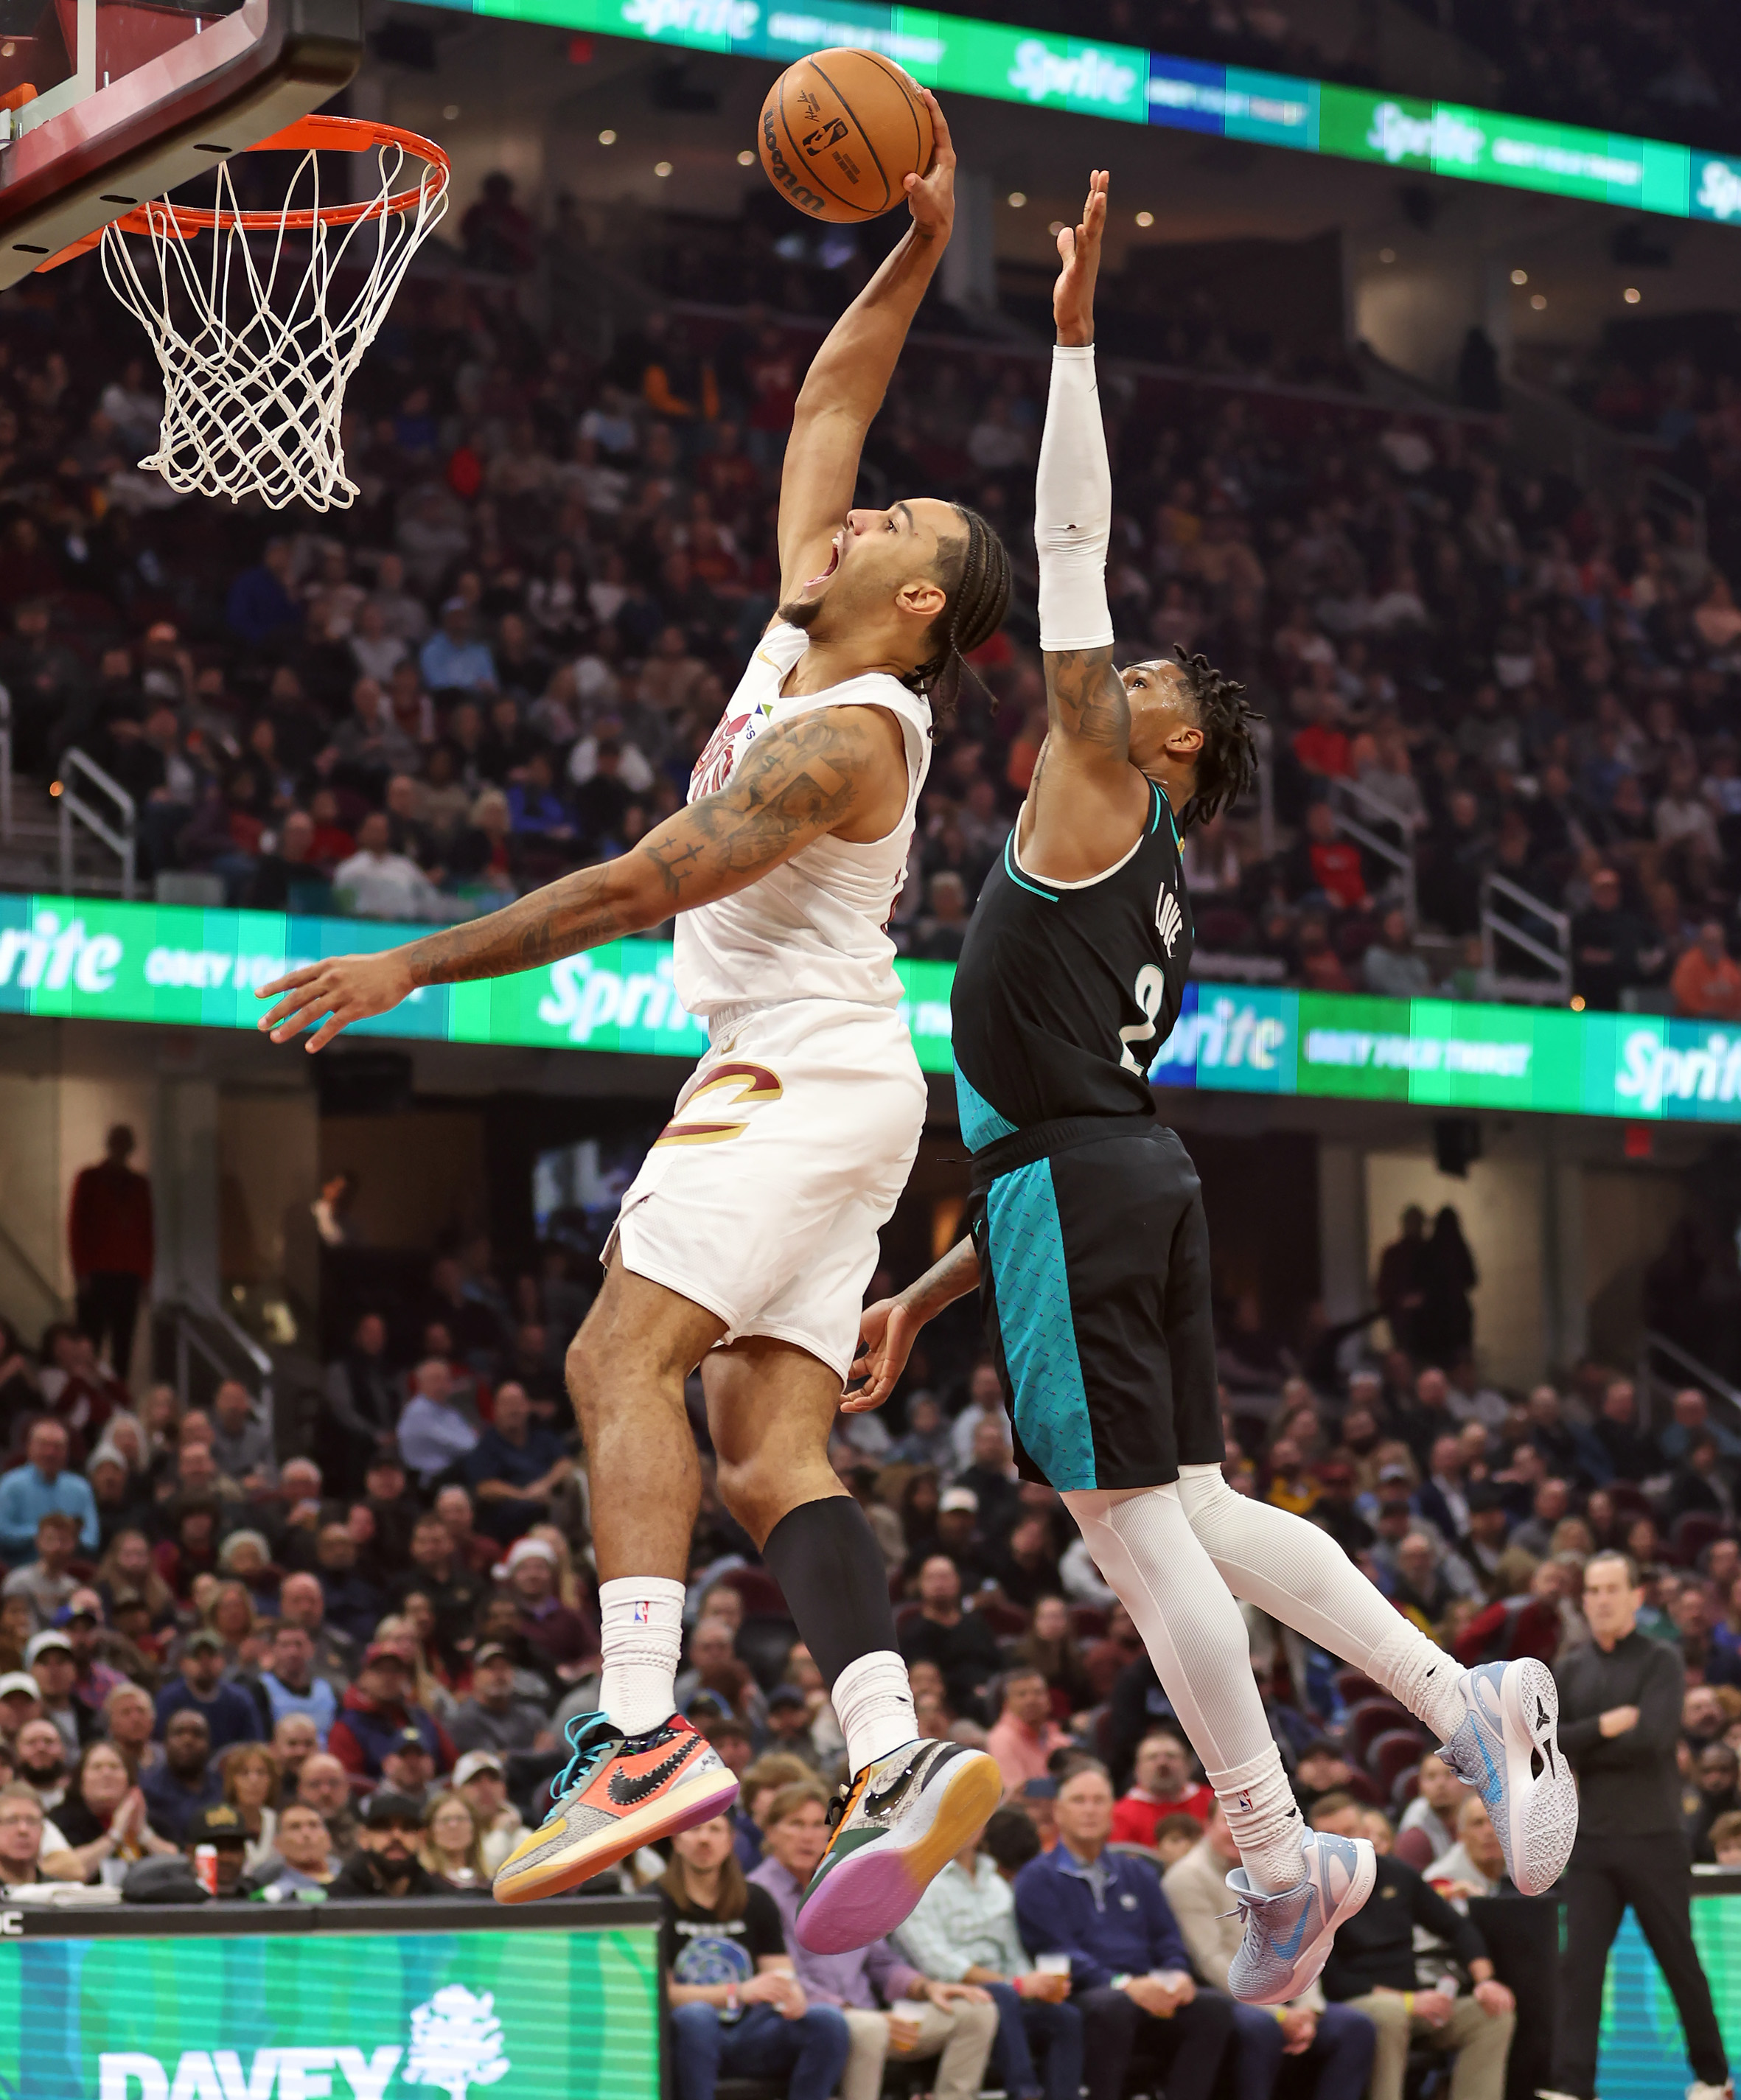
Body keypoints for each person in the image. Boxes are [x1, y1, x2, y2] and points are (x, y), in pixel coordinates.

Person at [256, 88, 1008, 1940]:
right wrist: (916, 247)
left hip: (794, 1072)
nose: (848, 507)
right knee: (766, 1448)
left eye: (886, 522)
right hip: (840, 1085)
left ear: (909, 602)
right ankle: (891, 1747)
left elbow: (629, 889)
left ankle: (641, 1732)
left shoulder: (845, 736)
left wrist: (409, 963)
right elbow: (830, 400)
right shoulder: (800, 629)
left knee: (614, 1365)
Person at [846, 170, 1574, 2000]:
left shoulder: (1104, 788)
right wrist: (933, 1301)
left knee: (1127, 1530)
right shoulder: (1138, 863)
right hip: (1105, 1180)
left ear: (1164, 741)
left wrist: (1073, 336)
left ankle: (1275, 1850)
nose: (1119, 665)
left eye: (1147, 678)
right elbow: (1042, 1125)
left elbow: (1068, 555)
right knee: (1198, 1512)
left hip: (1078, 1187)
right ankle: (1451, 1693)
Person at [1542, 1552, 1729, 2100]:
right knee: (1579, 1968)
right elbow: (1551, 1743)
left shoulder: (1661, 1659)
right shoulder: (1572, 1666)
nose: (1601, 1598)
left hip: (1653, 1836)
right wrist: (1605, 1724)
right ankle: (1573, 2086)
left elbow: (1652, 1736)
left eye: (1611, 1588)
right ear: (1584, 1600)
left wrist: (1587, 1738)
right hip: (1592, 1841)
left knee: (1679, 1959)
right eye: (1593, 1590)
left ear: (1635, 1596)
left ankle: (1713, 2077)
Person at [750, 1782, 1000, 2100]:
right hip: (817, 2022)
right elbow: (787, 1980)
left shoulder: (840, 1884)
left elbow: (881, 1961)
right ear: (770, 1833)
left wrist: (926, 1988)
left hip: (877, 2018)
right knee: (869, 2028)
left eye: (818, 1825)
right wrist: (859, 2013)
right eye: (796, 1824)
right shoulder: (758, 1894)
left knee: (976, 2011)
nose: (808, 1836)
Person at [1013, 1762, 1235, 2100]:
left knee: (1213, 2009)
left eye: (1099, 1800)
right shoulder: (1037, 1878)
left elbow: (1167, 1938)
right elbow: (1056, 1951)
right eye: (1079, 1800)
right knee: (1113, 2006)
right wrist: (1126, 1985)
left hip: (1149, 1990)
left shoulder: (1137, 1872)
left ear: (1112, 1810)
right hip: (1087, 1994)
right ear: (1057, 1812)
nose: (1090, 1810)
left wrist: (1176, 1975)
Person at [1165, 1802, 1377, 2100]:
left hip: (1286, 1994)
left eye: (1247, 1824)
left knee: (1356, 2028)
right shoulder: (1186, 1877)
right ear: (1207, 1825)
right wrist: (1279, 2016)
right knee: (1262, 2029)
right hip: (1227, 1996)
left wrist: (1309, 2010)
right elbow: (1210, 1961)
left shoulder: (1275, 1869)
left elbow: (1304, 1940)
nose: (1239, 1832)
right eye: (1229, 1822)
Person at [1309, 1793, 1515, 2100]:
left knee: (1491, 2015)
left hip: (1414, 2004)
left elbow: (1455, 1926)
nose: (1344, 1844)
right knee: (1390, 2013)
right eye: (1333, 1838)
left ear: (1365, 1832)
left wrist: (1485, 1981)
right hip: (1356, 2004)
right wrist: (1406, 2002)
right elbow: (1331, 1979)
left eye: (1350, 1832)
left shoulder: (1397, 1875)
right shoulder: (1311, 1894)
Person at [663, 1812, 851, 2100]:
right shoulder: (656, 1901)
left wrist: (791, 1994)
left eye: (715, 1830)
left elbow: (782, 1975)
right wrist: (738, 1992)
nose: (704, 1839)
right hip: (685, 2039)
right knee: (696, 2016)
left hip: (750, 2035)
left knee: (827, 2019)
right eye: (695, 1829)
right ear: (676, 1841)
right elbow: (665, 1995)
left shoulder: (755, 1898)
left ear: (730, 1842)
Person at [894, 1827, 1083, 2100]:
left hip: (1007, 1994)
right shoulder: (914, 1880)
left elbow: (1013, 1953)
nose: (967, 1822)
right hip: (945, 1997)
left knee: (1066, 2017)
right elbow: (936, 1961)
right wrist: (1014, 1984)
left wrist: (1034, 1984)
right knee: (1001, 1995)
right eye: (958, 1814)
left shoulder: (995, 1884)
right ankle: (1025, 2093)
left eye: (975, 1813)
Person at [69, 1123, 153, 1378]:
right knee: (89, 1341)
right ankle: (86, 1393)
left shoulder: (139, 1185)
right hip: (97, 1272)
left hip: (127, 1273)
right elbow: (77, 1226)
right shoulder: (90, 1178)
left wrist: (145, 1277)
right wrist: (82, 1270)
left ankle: (117, 1398)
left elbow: (147, 1233)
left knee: (123, 1345)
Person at [0, 1419, 100, 1564]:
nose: (50, 1453)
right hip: (20, 1570)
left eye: (57, 1447)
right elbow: (3, 1531)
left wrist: (65, 1539)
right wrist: (42, 1535)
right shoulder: (11, 1485)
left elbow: (92, 1539)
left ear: (67, 1451)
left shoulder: (80, 1488)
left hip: (69, 1573)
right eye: (44, 1446)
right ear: (29, 1448)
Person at [154, 1627, 262, 1752]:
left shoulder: (239, 1699)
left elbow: (254, 1745)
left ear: (223, 1661)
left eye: (211, 1655)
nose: (205, 1662)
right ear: (184, 1663)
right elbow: (159, 1745)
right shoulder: (168, 1698)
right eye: (197, 1657)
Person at [327, 1788, 443, 1898]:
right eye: (384, 1827)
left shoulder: (438, 1896)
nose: (396, 1836)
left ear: (422, 1838)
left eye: (407, 1828)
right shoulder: (339, 1897)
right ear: (364, 1837)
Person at [1111, 1729, 1214, 1845]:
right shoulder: (1120, 1815)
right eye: (1152, 1757)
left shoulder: (1212, 1801)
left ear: (1188, 1764)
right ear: (1137, 1769)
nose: (1162, 1763)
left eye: (1171, 1756)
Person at [449, 1641, 551, 1756]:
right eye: (491, 1668)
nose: (499, 1674)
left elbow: (553, 1754)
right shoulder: (465, 1720)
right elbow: (492, 1763)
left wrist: (511, 1756)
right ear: (475, 1676)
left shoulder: (530, 1715)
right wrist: (535, 1753)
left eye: (504, 1667)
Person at [985, 1667, 1070, 1796]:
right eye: (1022, 1694)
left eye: (1038, 1693)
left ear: (1049, 1700)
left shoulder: (1057, 1737)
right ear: (1007, 1704)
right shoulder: (1000, 1739)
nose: (1031, 1700)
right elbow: (1015, 1796)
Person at [142, 1709, 223, 1843]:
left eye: (197, 1734)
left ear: (209, 1743)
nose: (188, 1740)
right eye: (179, 1733)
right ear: (165, 1742)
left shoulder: (223, 1787)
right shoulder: (149, 1792)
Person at [254, 1620, 339, 1745]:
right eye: (285, 1645)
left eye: (299, 1645)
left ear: (311, 1649)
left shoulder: (328, 1690)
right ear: (272, 1649)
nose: (293, 1652)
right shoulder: (259, 1689)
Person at [247, 1799, 341, 1899]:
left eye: (313, 1825)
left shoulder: (352, 1876)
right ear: (278, 1844)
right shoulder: (276, 1895)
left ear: (328, 1837)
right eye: (295, 1827)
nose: (306, 1834)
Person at [453, 1748, 526, 1877]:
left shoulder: (521, 1836)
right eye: (475, 1780)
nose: (486, 1788)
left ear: (504, 1788)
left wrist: (503, 1831)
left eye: (493, 1779)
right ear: (457, 1791)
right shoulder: (449, 1832)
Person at [419, 1787, 489, 1890]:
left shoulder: (489, 1883)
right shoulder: (422, 1882)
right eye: (445, 1820)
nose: (453, 1826)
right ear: (430, 1831)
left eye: (461, 1819)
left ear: (474, 1828)